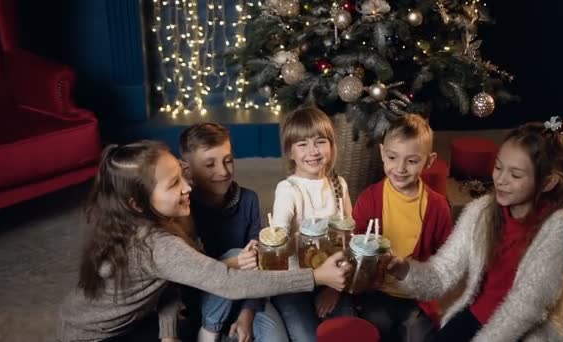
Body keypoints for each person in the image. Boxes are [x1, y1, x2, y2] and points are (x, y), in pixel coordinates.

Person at [57, 140, 349, 342]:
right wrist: (315, 275)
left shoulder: (136, 221)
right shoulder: (155, 245)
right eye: (173, 184)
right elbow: (229, 283)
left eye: (181, 176)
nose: (188, 186)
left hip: (116, 322)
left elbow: (163, 284)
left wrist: (168, 332)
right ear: (136, 203)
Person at [388, 117, 563, 341]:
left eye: (515, 175)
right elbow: (442, 274)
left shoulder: (562, 228)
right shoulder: (481, 211)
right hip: (475, 317)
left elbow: (525, 310)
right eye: (499, 167)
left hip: (524, 333)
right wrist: (402, 269)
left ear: (548, 182)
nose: (500, 180)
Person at [179, 123, 288, 342]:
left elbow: (258, 264)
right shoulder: (183, 208)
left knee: (276, 338)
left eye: (228, 160)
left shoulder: (248, 200)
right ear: (187, 170)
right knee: (236, 254)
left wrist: (247, 313)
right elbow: (189, 275)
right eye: (210, 164)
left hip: (249, 292)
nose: (223, 171)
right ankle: (209, 332)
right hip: (205, 298)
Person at [352, 113, 453, 341]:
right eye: (392, 157)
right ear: (382, 154)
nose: (400, 168)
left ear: (429, 160)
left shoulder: (437, 207)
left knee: (417, 335)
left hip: (417, 298)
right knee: (375, 329)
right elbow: (354, 244)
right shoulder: (369, 199)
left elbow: (446, 261)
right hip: (377, 293)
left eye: (412, 160)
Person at [271, 107, 354, 342]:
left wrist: (333, 288)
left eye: (320, 142)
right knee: (309, 338)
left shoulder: (340, 184)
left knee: (343, 334)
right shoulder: (289, 189)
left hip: (333, 280)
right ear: (290, 152)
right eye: (302, 144)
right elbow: (279, 240)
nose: (313, 151)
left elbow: (349, 242)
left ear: (331, 146)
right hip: (294, 283)